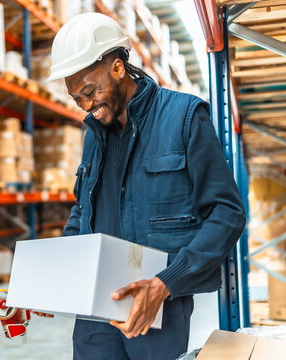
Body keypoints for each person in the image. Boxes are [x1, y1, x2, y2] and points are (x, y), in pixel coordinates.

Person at [37, 12, 247, 360]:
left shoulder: (184, 117)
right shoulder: (94, 136)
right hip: (93, 311)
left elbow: (227, 214)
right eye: (77, 99)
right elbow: (82, 212)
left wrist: (167, 282)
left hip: (157, 306)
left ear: (118, 67)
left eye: (90, 92)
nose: (88, 106)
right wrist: (59, 279)